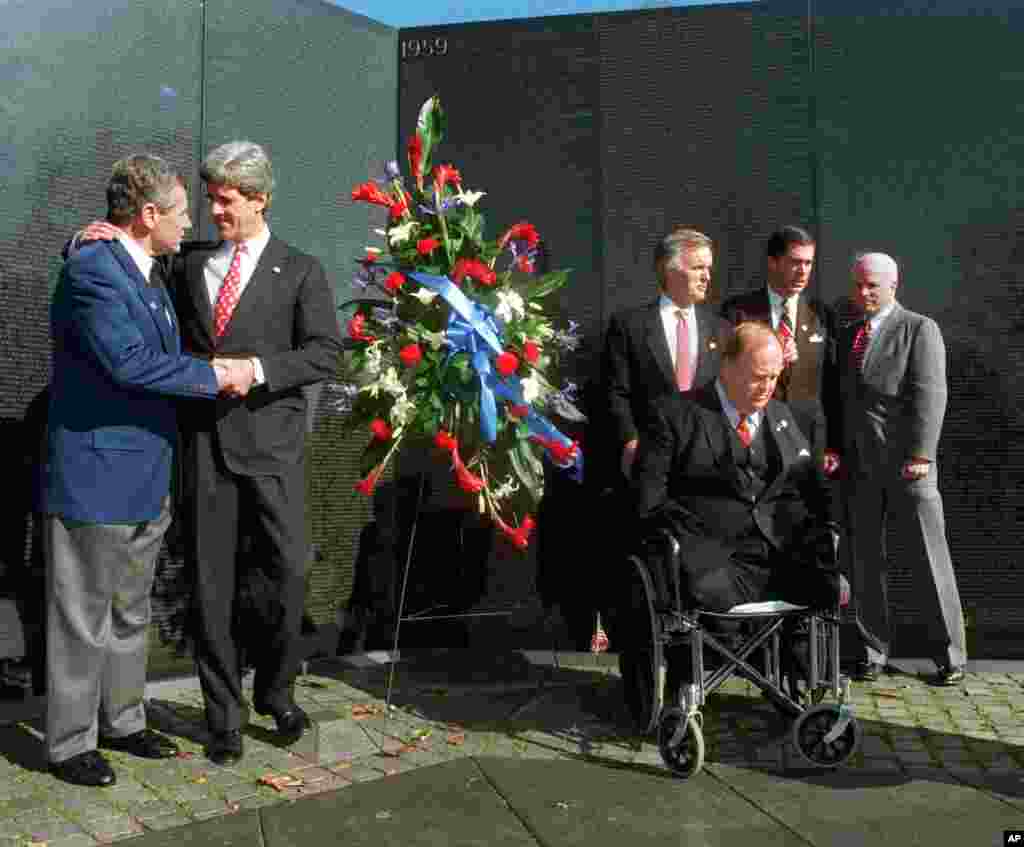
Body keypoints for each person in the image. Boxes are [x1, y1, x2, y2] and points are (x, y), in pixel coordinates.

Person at [76, 142, 343, 764]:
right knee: (210, 587)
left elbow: (327, 353)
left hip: (272, 451)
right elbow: (126, 263)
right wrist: (95, 236)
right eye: (209, 198)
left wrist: (258, 368)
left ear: (259, 199)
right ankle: (224, 718)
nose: (212, 210)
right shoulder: (186, 264)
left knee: (288, 577)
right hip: (202, 451)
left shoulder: (300, 269)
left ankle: (278, 690)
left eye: (225, 200)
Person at [42, 155, 244, 787]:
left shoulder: (148, 271)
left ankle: (123, 722)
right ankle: (69, 743)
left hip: (145, 474)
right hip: (96, 475)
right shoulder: (94, 269)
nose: (191, 223)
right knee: (83, 616)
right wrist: (214, 374)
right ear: (148, 214)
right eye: (182, 211)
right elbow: (128, 363)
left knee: (130, 610)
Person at [631, 322, 840, 618]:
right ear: (727, 367)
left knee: (820, 595)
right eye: (758, 378)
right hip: (713, 563)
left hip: (782, 560)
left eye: (773, 377)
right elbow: (650, 501)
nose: (767, 387)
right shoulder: (673, 415)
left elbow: (813, 492)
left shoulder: (784, 415)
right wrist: (694, 550)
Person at [826, 252, 966, 686]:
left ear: (893, 285)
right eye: (859, 285)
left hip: (909, 467)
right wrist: (835, 449)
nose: (864, 293)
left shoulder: (918, 329)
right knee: (864, 561)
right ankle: (872, 651)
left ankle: (950, 655)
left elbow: (930, 393)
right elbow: (841, 401)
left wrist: (922, 454)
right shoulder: (848, 331)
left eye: (873, 285)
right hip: (860, 468)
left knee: (928, 557)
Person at [601, 227, 728, 486]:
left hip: (708, 463)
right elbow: (616, 392)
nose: (707, 277)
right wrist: (629, 441)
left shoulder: (722, 330)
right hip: (649, 460)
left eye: (708, 268)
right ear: (670, 270)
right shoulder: (630, 326)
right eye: (698, 268)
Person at [720, 225, 835, 458]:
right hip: (757, 433)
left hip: (809, 438)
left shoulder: (821, 314)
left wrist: (833, 445)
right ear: (773, 262)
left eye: (808, 263)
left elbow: (832, 384)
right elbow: (726, 372)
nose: (803, 271)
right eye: (795, 262)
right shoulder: (738, 311)